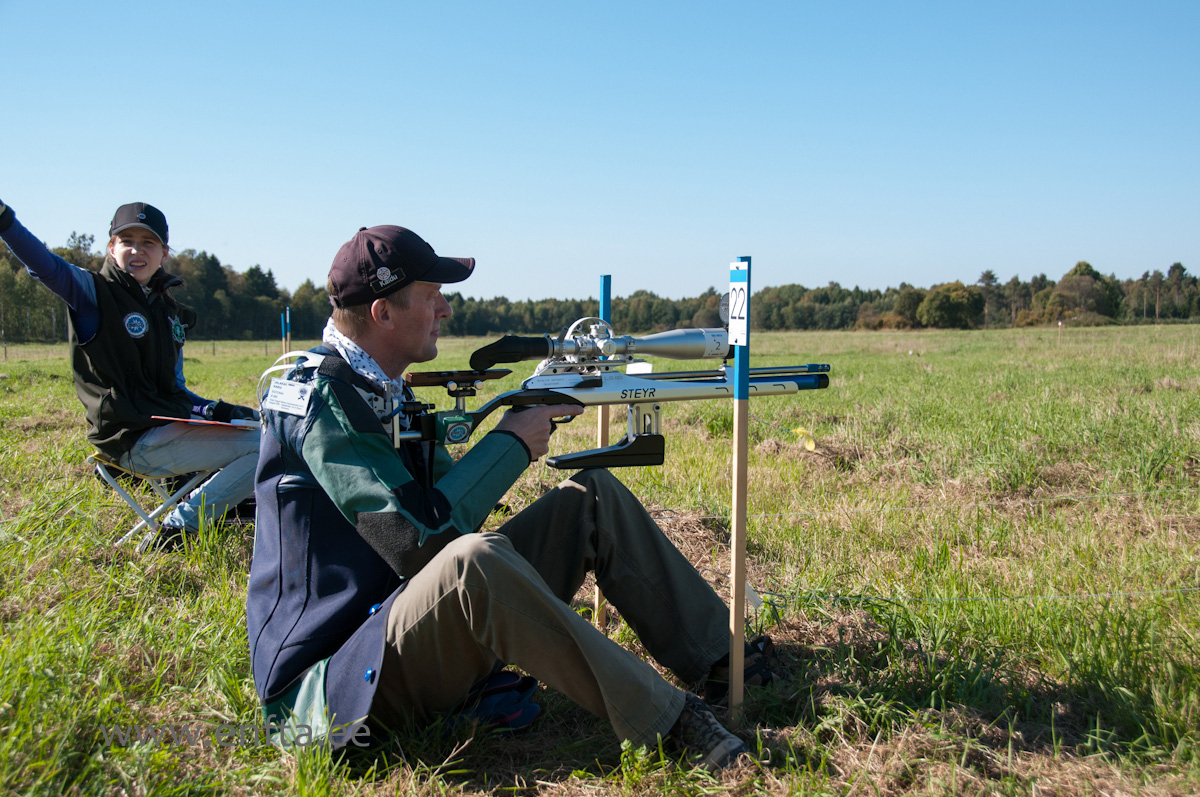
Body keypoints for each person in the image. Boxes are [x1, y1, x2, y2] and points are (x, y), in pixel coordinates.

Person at [247, 225, 778, 769]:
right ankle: (672, 724)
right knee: (472, 562)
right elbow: (418, 542)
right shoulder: (319, 401)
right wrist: (511, 442)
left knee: (590, 497)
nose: (445, 309)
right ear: (383, 313)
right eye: (432, 297)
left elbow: (445, 507)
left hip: (390, 628)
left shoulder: (383, 389)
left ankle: (725, 659)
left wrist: (520, 423)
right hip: (326, 695)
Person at [0, 198, 259, 550]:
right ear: (111, 248)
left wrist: (217, 410)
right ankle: (180, 529)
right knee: (266, 448)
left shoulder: (169, 312)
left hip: (165, 428)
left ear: (163, 253)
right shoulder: (93, 292)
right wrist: (5, 221)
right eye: (127, 241)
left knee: (265, 433)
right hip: (131, 440)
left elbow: (175, 392)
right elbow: (45, 265)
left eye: (148, 242)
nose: (137, 250)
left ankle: (220, 507)